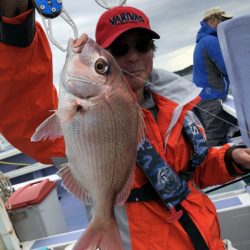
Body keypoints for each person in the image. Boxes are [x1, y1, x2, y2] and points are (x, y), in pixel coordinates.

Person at [1, 1, 250, 249]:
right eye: (119, 49)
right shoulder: (83, 114)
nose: (133, 56)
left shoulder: (177, 107)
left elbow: (194, 169)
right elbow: (25, 107)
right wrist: (16, 22)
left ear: (152, 51)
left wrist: (231, 158)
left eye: (142, 45)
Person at [193, 6, 234, 147]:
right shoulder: (210, 40)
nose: (226, 24)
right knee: (215, 137)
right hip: (211, 99)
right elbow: (227, 68)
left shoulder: (202, 41)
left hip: (204, 97)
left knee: (218, 134)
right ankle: (212, 167)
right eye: (223, 20)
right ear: (213, 20)